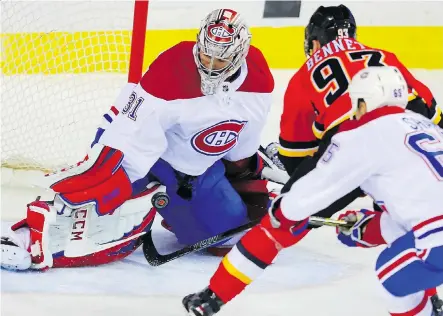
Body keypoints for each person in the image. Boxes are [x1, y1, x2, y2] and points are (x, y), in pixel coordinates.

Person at [0, 8, 280, 271]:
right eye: (206, 56)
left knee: (226, 235)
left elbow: (242, 138)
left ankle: (205, 203)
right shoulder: (171, 72)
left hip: (197, 170)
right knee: (105, 208)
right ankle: (30, 238)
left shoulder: (258, 79)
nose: (210, 66)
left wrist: (249, 177)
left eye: (220, 60)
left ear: (239, 55)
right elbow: (131, 140)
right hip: (146, 157)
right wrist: (116, 186)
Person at [182, 66, 443, 316]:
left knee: (393, 273)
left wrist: (282, 209)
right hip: (434, 229)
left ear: (365, 101)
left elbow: (303, 198)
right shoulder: (426, 126)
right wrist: (370, 227)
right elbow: (419, 209)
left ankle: (214, 296)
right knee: (410, 250)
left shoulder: (362, 134)